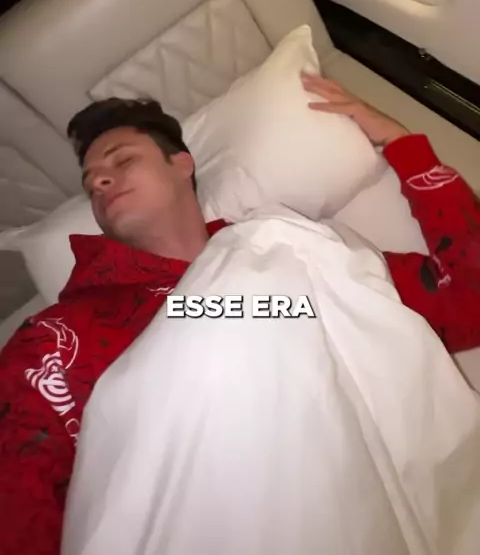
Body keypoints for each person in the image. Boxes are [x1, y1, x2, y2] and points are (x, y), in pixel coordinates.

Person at [1, 76, 480, 555]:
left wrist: (402, 144)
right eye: (90, 183)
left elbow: (468, 297)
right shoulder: (61, 338)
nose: (99, 182)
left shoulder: (292, 248)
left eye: (122, 160)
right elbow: (18, 493)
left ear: (182, 164)